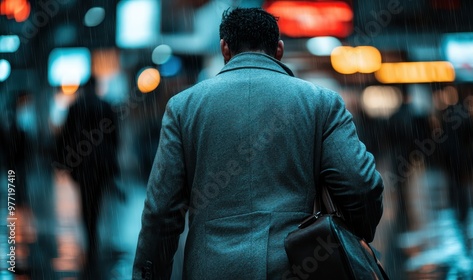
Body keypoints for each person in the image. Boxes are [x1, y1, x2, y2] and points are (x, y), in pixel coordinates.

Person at [133, 8, 384, 280]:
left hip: (211, 269)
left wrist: (149, 274)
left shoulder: (183, 107)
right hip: (297, 264)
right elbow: (361, 184)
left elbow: (161, 212)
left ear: (224, 49)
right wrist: (360, 230)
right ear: (279, 49)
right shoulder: (320, 102)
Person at [54, 77, 121, 279]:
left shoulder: (75, 107)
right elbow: (114, 138)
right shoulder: (106, 106)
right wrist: (111, 162)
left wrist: (64, 161)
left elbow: (66, 136)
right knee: (98, 200)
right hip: (101, 164)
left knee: (86, 200)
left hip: (82, 163)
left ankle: (90, 234)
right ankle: (94, 234)